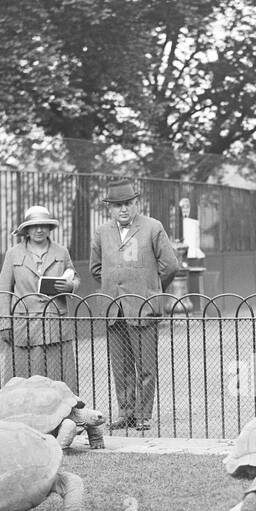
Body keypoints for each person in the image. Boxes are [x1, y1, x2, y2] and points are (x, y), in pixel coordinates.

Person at [89, 178, 181, 430]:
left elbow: (171, 265)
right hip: (113, 308)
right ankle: (126, 412)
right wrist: (114, 285)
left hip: (143, 306)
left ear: (135, 203)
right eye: (118, 205)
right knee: (121, 367)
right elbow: (96, 269)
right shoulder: (102, 232)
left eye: (128, 203)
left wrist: (151, 287)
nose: (123, 209)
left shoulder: (152, 227)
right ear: (110, 207)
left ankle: (143, 415)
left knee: (146, 367)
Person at [0, 205, 79, 388]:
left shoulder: (61, 252)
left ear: (49, 228)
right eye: (34, 226)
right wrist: (5, 322)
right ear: (26, 229)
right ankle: (23, 415)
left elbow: (74, 275)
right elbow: (4, 289)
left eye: (44, 225)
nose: (39, 230)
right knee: (22, 378)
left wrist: (70, 285)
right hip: (24, 324)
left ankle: (62, 414)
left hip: (55, 323)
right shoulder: (13, 254)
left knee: (58, 378)